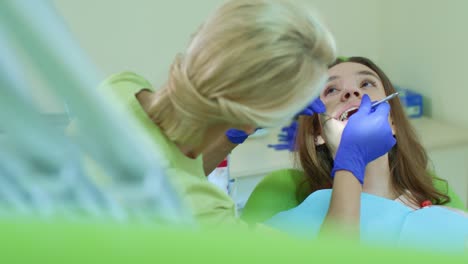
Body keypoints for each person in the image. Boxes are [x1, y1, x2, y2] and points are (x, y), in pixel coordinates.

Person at [262, 56, 468, 251]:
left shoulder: (450, 221)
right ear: (318, 133)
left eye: (366, 84)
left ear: (393, 122)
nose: (351, 92)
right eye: (332, 89)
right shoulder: (292, 227)